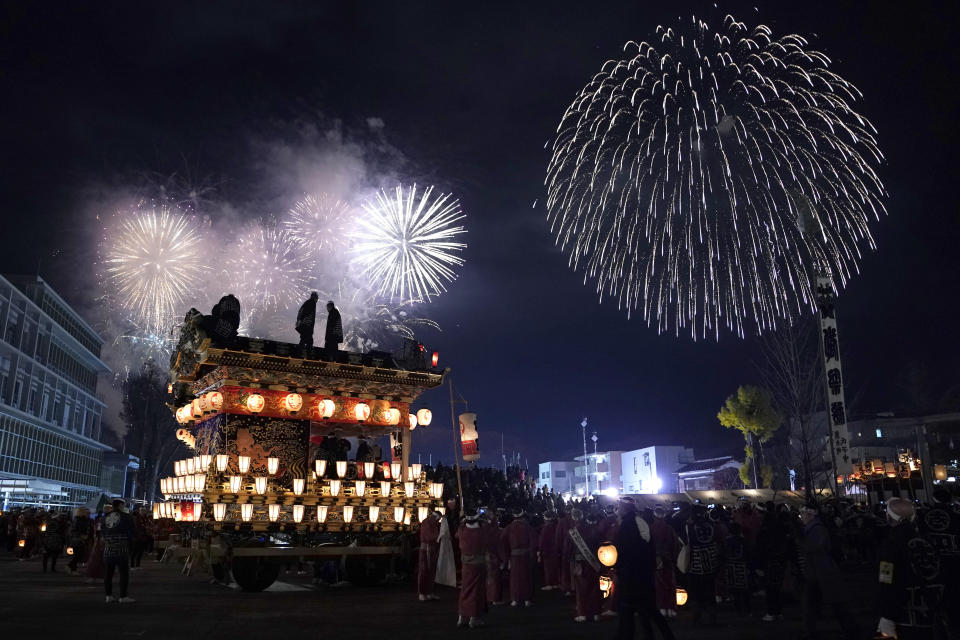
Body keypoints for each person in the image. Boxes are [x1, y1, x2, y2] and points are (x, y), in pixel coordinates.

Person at [876, 497, 947, 640]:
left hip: (904, 611)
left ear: (889, 516)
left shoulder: (890, 544)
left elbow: (886, 579)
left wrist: (887, 615)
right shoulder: (927, 539)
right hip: (932, 607)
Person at [614, 497, 675, 640]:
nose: (618, 508)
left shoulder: (629, 524)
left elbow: (627, 551)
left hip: (633, 575)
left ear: (624, 508)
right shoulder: (638, 522)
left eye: (619, 506)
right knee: (646, 610)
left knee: (635, 609)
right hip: (642, 574)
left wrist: (621, 570)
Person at [798, 504, 857, 639]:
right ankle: (848, 629)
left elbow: (815, 548)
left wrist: (801, 542)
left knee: (831, 604)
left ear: (810, 515)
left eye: (803, 514)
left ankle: (849, 629)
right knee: (826, 604)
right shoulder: (814, 528)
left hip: (821, 572)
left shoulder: (816, 529)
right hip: (820, 571)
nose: (801, 517)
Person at [682, 504, 722, 626]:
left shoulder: (690, 525)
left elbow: (689, 543)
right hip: (710, 561)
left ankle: (697, 618)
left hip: (696, 564)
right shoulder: (711, 524)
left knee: (696, 593)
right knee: (710, 591)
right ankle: (712, 618)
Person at [756, 504, 791, 622]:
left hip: (769, 563)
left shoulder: (764, 532)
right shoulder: (780, 531)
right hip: (779, 562)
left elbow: (760, 549)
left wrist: (759, 566)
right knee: (777, 588)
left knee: (770, 589)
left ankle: (771, 612)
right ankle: (779, 612)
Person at [566, 508, 602, 622]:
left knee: (581, 589)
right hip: (593, 563)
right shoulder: (592, 530)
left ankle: (583, 613)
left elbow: (568, 550)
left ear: (573, 517)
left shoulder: (572, 532)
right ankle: (596, 613)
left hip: (579, 564)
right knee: (594, 588)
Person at [456, 508, 488, 628]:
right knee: (476, 591)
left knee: (465, 588)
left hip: (466, 564)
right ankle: (474, 618)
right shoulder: (481, 532)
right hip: (478, 564)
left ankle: (461, 617)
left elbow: (460, 526)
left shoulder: (462, 530)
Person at [103, 499, 135, 603]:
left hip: (108, 546)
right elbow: (132, 532)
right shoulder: (126, 517)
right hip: (121, 546)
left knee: (108, 572)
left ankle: (108, 595)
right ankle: (123, 596)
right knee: (123, 572)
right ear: (120, 505)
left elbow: (102, 532)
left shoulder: (105, 517)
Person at [651, 505, 680, 618]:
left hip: (656, 560)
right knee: (670, 584)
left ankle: (662, 608)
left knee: (659, 585)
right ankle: (671, 608)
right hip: (668, 559)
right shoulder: (669, 528)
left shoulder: (651, 528)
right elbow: (676, 545)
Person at [502, 507, 535, 606]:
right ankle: (527, 599)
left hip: (514, 556)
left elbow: (502, 541)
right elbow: (533, 541)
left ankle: (515, 599)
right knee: (526, 577)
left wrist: (506, 557)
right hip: (525, 555)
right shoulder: (527, 527)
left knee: (515, 578)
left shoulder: (509, 527)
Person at [417, 510, 441, 601]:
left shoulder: (433, 522)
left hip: (432, 549)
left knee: (431, 571)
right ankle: (422, 593)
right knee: (424, 571)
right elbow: (429, 536)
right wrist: (439, 536)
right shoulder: (427, 522)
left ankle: (429, 592)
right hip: (425, 549)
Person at [538, 509, 560, 590]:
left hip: (547, 550)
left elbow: (542, 540)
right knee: (555, 567)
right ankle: (556, 583)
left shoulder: (546, 527)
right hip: (556, 550)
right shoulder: (556, 525)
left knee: (548, 568)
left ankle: (550, 583)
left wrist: (540, 550)